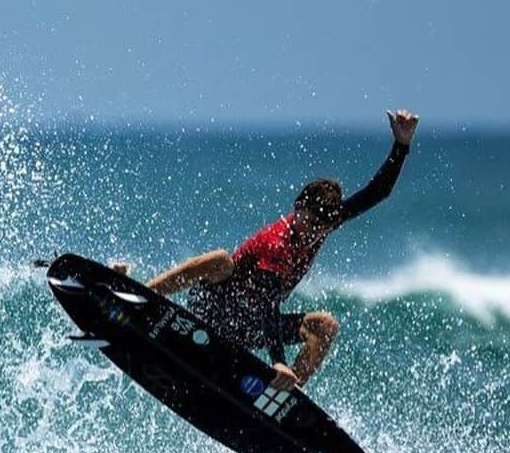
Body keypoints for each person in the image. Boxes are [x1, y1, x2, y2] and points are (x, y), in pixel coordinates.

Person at [133, 110, 418, 391]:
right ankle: (139, 295)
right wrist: (278, 360)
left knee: (325, 326)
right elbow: (269, 301)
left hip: (247, 325)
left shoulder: (324, 223)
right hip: (214, 308)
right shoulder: (277, 242)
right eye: (311, 222)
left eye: (323, 225)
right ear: (298, 208)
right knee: (220, 261)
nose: (314, 231)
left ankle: (282, 397)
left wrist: (401, 145)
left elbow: (377, 192)